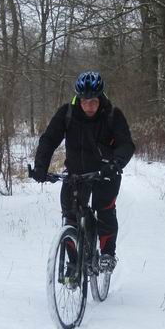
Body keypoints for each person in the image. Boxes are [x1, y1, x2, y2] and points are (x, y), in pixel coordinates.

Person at [30, 71, 135, 274]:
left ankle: (106, 254)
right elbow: (49, 140)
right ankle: (73, 263)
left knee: (104, 209)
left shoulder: (113, 115)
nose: (89, 106)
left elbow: (126, 144)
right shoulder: (67, 113)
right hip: (76, 173)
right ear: (78, 98)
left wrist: (114, 164)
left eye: (94, 102)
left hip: (106, 172)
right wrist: (41, 168)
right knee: (70, 215)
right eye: (85, 101)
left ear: (101, 98)